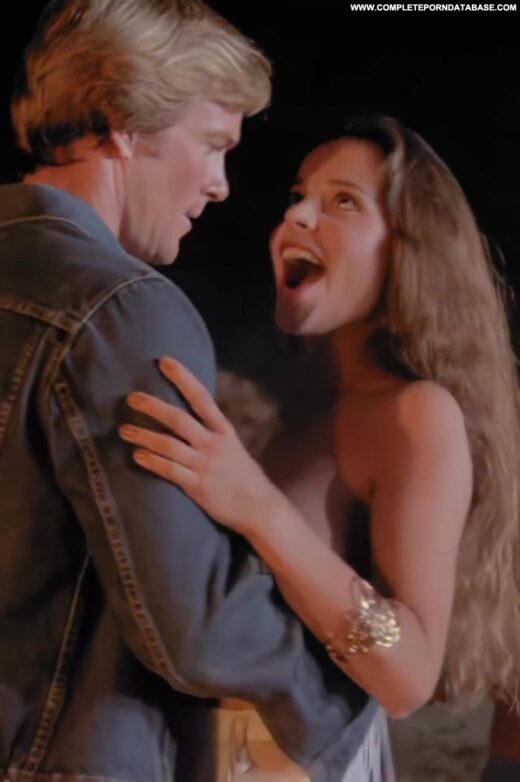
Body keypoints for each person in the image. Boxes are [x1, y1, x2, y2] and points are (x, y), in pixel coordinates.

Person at [0, 3, 380, 782]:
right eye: (212, 144)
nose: (220, 185)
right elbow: (187, 621)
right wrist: (344, 691)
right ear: (123, 124)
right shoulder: (123, 309)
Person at [120, 115, 520, 777]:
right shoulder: (279, 407)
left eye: (343, 202)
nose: (298, 215)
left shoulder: (415, 415)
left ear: (406, 250)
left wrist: (259, 508)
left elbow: (408, 677)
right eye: (298, 195)